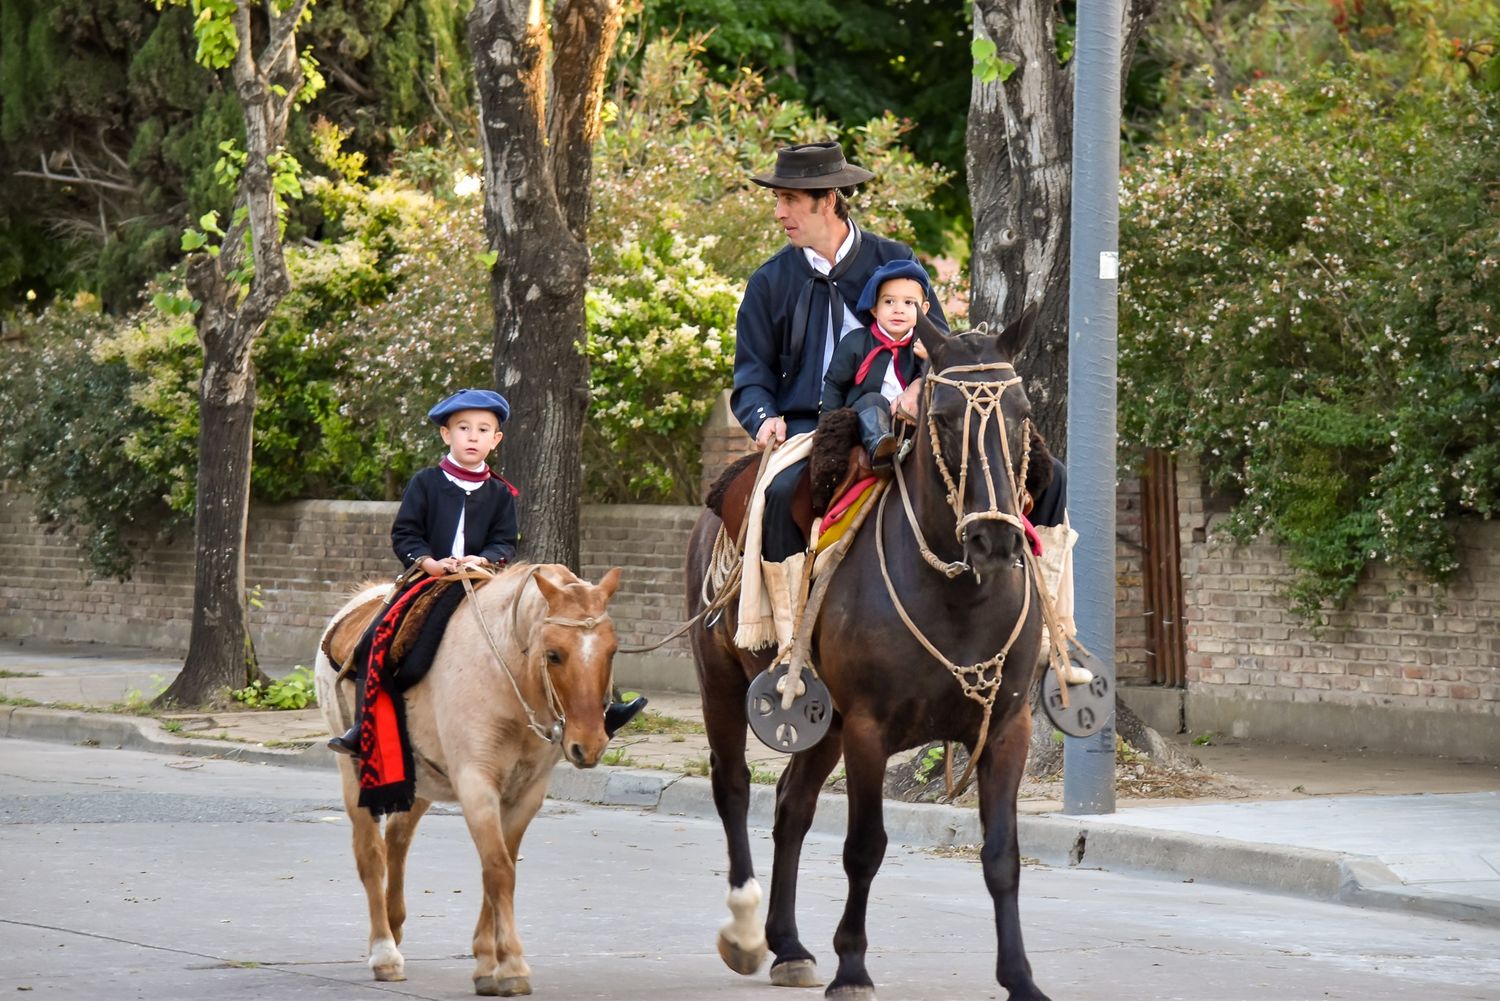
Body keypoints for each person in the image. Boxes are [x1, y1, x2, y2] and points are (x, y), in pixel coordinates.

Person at [329, 389, 645, 755]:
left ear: (496, 440)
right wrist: (429, 561)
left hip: (483, 581)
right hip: (430, 580)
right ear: (446, 434)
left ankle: (605, 710)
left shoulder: (499, 492)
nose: (473, 436)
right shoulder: (425, 483)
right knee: (380, 636)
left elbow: (505, 542)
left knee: (576, 634)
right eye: (463, 428)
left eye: (483, 429)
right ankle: (365, 724)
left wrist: (484, 560)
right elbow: (405, 534)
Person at [731, 141, 949, 564]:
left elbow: (940, 344)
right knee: (778, 495)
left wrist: (921, 387)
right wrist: (763, 420)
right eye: (778, 200)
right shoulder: (768, 283)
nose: (779, 212)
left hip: (902, 423)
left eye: (790, 200)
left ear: (828, 200)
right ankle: (781, 622)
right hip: (807, 430)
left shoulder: (896, 259)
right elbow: (752, 377)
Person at [820, 258, 935, 471]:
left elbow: (944, 380)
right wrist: (827, 429)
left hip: (909, 421)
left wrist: (933, 359)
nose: (898, 309)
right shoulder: (856, 342)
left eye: (909, 303)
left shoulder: (925, 345)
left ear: (924, 309)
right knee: (873, 400)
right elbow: (835, 385)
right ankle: (881, 450)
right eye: (889, 301)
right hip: (862, 419)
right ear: (874, 308)